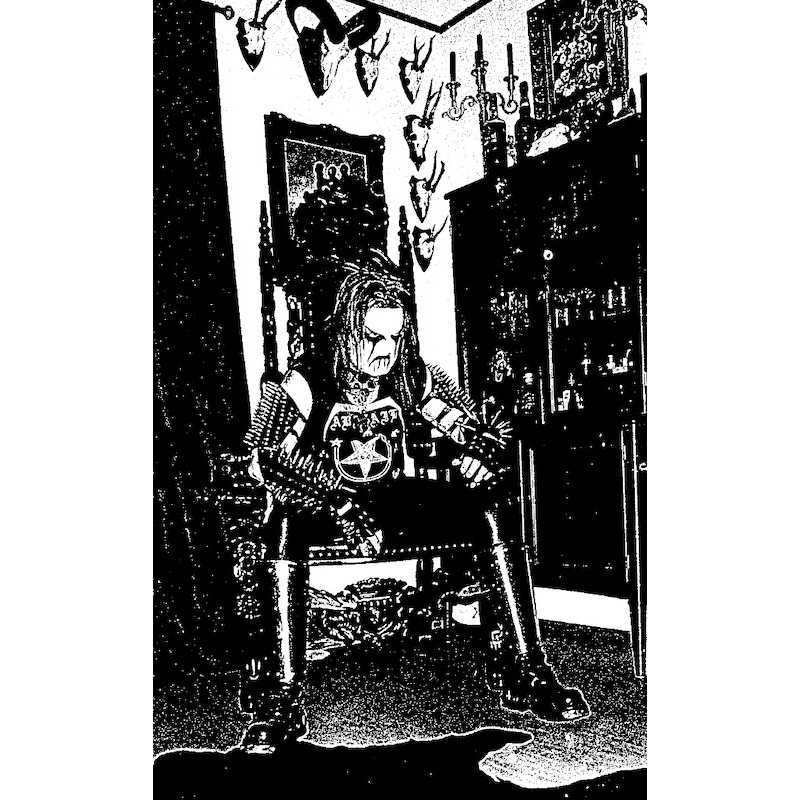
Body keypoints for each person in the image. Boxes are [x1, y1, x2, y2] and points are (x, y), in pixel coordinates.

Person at [234, 251, 589, 754]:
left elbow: (461, 421)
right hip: (321, 500)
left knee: (491, 507)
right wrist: (337, 503)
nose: (387, 350)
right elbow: (265, 459)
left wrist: (478, 452)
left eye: (396, 337)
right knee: (284, 524)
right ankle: (281, 700)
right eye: (373, 338)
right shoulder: (304, 380)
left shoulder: (409, 373)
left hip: (392, 497)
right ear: (345, 331)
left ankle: (526, 671)